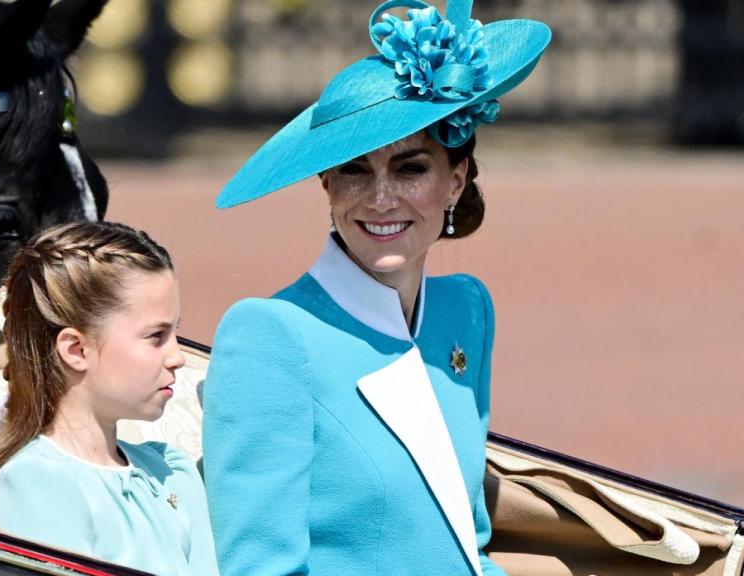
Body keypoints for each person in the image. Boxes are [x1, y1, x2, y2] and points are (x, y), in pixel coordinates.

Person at [201, 1, 551, 575]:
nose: (380, 198)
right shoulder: (271, 334)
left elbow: (468, 543)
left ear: (455, 180)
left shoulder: (465, 310)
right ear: (327, 185)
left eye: (410, 168)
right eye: (354, 170)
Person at [0, 221, 218, 576]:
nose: (178, 357)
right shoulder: (37, 483)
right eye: (156, 336)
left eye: (174, 332)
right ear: (76, 349)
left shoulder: (171, 470)